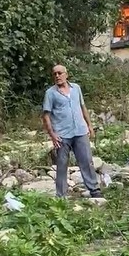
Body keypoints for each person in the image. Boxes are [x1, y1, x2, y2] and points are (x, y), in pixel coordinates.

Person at [43, 65, 102, 199]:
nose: (57, 76)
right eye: (54, 74)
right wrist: (52, 134)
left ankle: (94, 189)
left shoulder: (76, 88)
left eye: (59, 73)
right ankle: (61, 195)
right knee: (62, 165)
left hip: (80, 131)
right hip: (62, 134)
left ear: (66, 74)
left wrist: (90, 126)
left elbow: (83, 107)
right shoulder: (50, 93)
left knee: (87, 161)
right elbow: (46, 115)